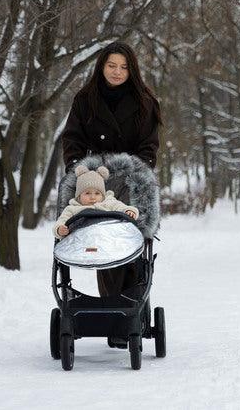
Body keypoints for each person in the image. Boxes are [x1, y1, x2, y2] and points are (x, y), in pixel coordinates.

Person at [61, 41, 162, 297]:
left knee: (130, 239)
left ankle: (131, 305)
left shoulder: (145, 102)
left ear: (132, 71)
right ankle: (112, 307)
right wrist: (78, 170)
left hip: (132, 180)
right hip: (96, 183)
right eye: (111, 65)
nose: (117, 72)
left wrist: (138, 170)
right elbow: (73, 139)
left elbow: (149, 146)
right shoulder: (85, 100)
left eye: (123, 67)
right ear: (102, 66)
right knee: (103, 241)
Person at [53, 165, 139, 239]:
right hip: (80, 241)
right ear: (79, 196)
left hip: (108, 238)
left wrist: (129, 211)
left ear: (103, 195)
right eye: (87, 193)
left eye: (97, 193)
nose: (93, 197)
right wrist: (59, 229)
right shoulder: (72, 209)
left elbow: (121, 208)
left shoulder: (109, 203)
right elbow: (61, 221)